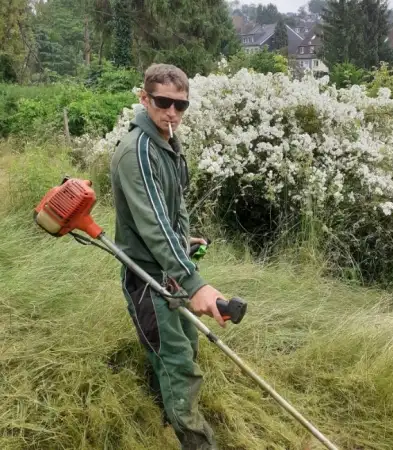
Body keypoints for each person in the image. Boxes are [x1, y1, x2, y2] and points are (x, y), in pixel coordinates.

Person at [110, 63, 225, 450]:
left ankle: (163, 417)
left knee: (185, 349)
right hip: (146, 277)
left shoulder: (168, 143)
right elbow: (154, 226)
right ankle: (198, 444)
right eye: (163, 102)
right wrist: (196, 283)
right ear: (145, 99)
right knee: (177, 365)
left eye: (181, 105)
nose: (172, 112)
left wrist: (184, 240)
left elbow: (173, 210)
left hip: (170, 271)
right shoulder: (139, 151)